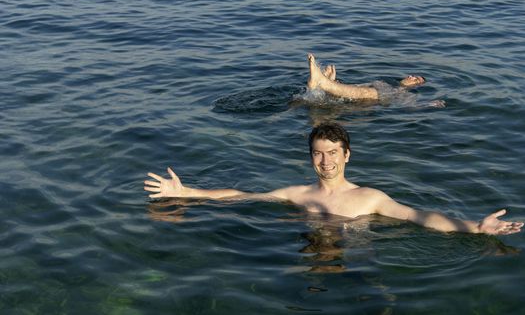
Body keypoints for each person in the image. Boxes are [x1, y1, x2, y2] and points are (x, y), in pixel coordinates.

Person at [144, 122, 523, 235]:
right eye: (317, 153)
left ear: (346, 155)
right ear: (311, 157)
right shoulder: (297, 194)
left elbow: (420, 217)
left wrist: (475, 227)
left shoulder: (370, 198)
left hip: (357, 263)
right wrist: (188, 192)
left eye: (332, 153)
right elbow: (242, 195)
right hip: (310, 251)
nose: (325, 161)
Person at [306, 53, 445, 107]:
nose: (411, 77)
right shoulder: (387, 83)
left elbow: (413, 106)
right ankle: (328, 85)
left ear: (416, 86)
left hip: (364, 105)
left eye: (416, 79)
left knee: (368, 92)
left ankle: (323, 83)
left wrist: (430, 103)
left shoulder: (402, 93)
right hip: (354, 97)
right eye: (413, 75)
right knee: (364, 89)